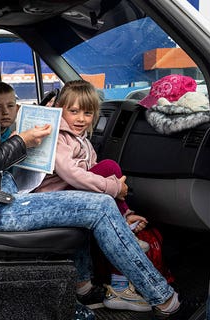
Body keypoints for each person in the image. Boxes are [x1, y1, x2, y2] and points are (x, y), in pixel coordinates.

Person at [0, 21, 180, 318]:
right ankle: (162, 298)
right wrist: (22, 140)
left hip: (0, 193)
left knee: (83, 198)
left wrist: (25, 141)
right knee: (102, 206)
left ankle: (82, 288)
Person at [34, 80, 158, 312]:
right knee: (110, 168)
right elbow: (72, 174)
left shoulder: (80, 139)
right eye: (74, 111)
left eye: (88, 113)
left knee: (106, 171)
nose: (81, 118)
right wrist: (114, 188)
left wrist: (121, 203)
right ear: (60, 109)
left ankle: (125, 221)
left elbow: (90, 168)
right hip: (53, 198)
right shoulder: (59, 137)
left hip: (68, 193)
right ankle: (124, 229)